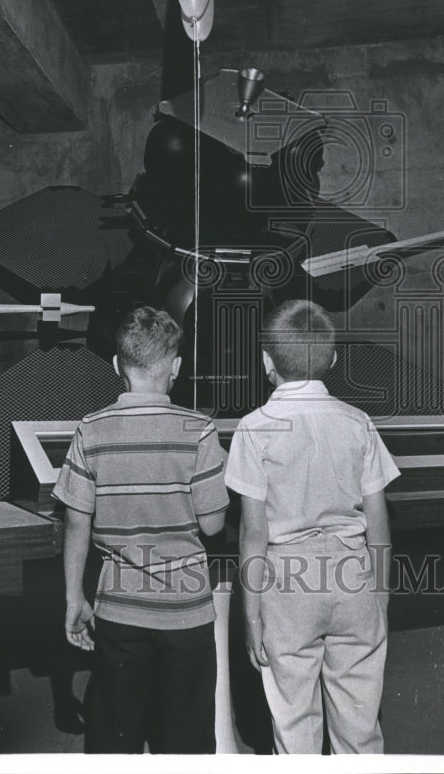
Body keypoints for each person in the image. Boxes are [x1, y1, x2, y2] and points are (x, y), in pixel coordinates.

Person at [225, 299, 400, 754]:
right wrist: (379, 597)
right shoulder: (358, 423)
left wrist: (250, 614)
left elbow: (253, 535)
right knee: (361, 730)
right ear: (333, 360)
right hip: (354, 577)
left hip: (287, 585)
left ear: (267, 362)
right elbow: (379, 525)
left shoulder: (253, 428)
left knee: (294, 724)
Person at [52, 306, 229, 754]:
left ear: (117, 366)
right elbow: (213, 525)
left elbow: (76, 522)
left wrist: (75, 598)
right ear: (176, 367)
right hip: (186, 613)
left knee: (116, 737)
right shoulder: (200, 430)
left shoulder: (90, 430)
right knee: (186, 739)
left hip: (119, 614)